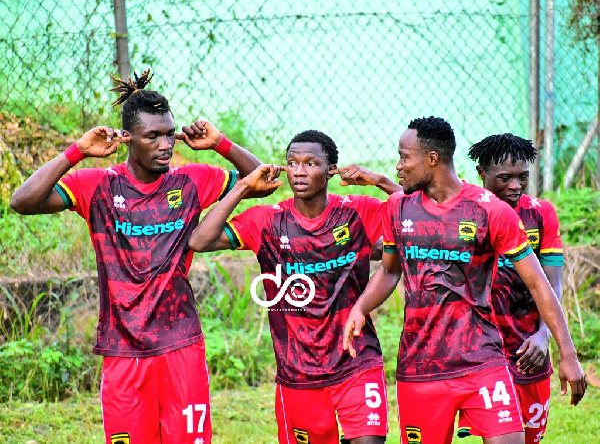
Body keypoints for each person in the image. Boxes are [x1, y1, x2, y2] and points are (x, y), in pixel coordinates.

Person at [10, 69, 265, 444]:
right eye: (153, 136)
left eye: (169, 133)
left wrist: (221, 143)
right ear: (130, 139)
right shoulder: (97, 185)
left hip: (181, 343)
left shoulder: (191, 180)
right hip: (123, 349)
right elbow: (23, 202)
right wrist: (76, 151)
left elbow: (259, 180)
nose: (166, 144)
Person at [342, 117, 587, 444]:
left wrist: (566, 353)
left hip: (481, 360)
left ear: (432, 159)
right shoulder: (397, 208)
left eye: (404, 157)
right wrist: (361, 307)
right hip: (420, 366)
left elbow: (539, 283)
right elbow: (389, 270)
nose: (398, 166)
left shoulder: (491, 211)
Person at [187, 130, 403, 443]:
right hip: (298, 371)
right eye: (293, 163)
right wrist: (244, 186)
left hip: (356, 358)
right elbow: (200, 240)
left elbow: (412, 215)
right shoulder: (266, 220)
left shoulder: (357, 211)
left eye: (311, 163)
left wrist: (382, 182)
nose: (300, 171)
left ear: (330, 170)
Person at [466, 133, 564, 443]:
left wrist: (544, 336)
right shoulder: (465, 212)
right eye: (505, 177)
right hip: (481, 352)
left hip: (528, 350)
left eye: (522, 177)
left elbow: (552, 283)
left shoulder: (540, 213)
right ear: (482, 174)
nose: (515, 186)